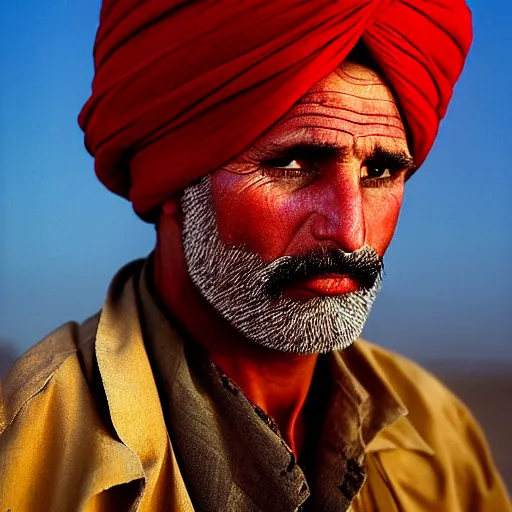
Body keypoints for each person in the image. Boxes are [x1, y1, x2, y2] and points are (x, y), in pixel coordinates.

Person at [0, 0, 509, 511]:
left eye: (378, 173)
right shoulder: (26, 452)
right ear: (176, 180)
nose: (350, 233)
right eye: (292, 164)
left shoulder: (442, 438)